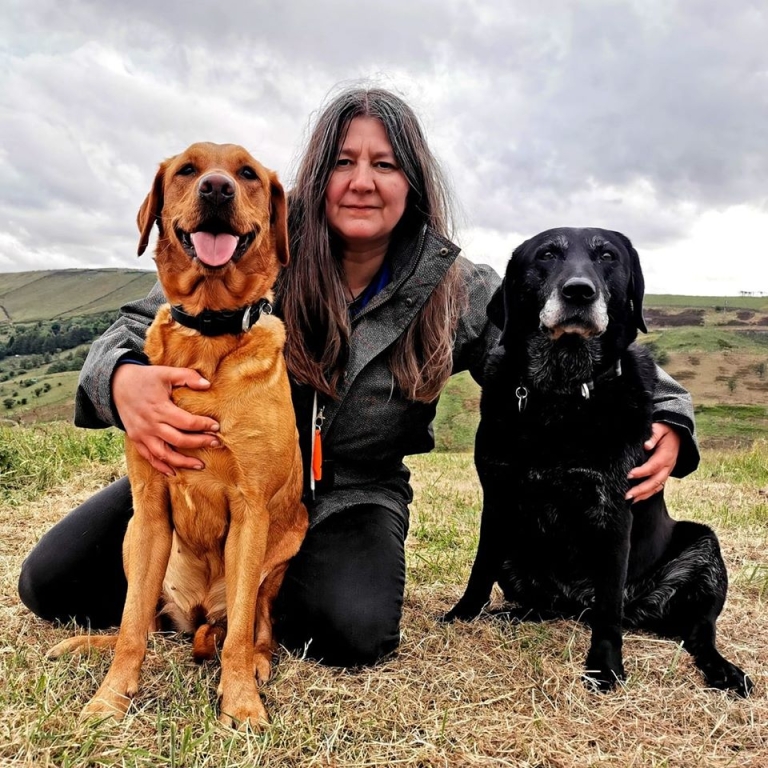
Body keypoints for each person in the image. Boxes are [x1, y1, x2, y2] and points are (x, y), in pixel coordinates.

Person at [18, 86, 699, 667]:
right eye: (344, 162)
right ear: (320, 176)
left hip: (355, 493)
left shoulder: (455, 288)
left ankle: (245, 611)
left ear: (413, 181)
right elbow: (132, 330)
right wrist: (122, 382)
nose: (363, 181)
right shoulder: (262, 248)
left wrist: (669, 413)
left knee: (351, 633)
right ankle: (208, 602)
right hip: (219, 481)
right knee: (50, 584)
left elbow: (554, 340)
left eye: (385, 163)